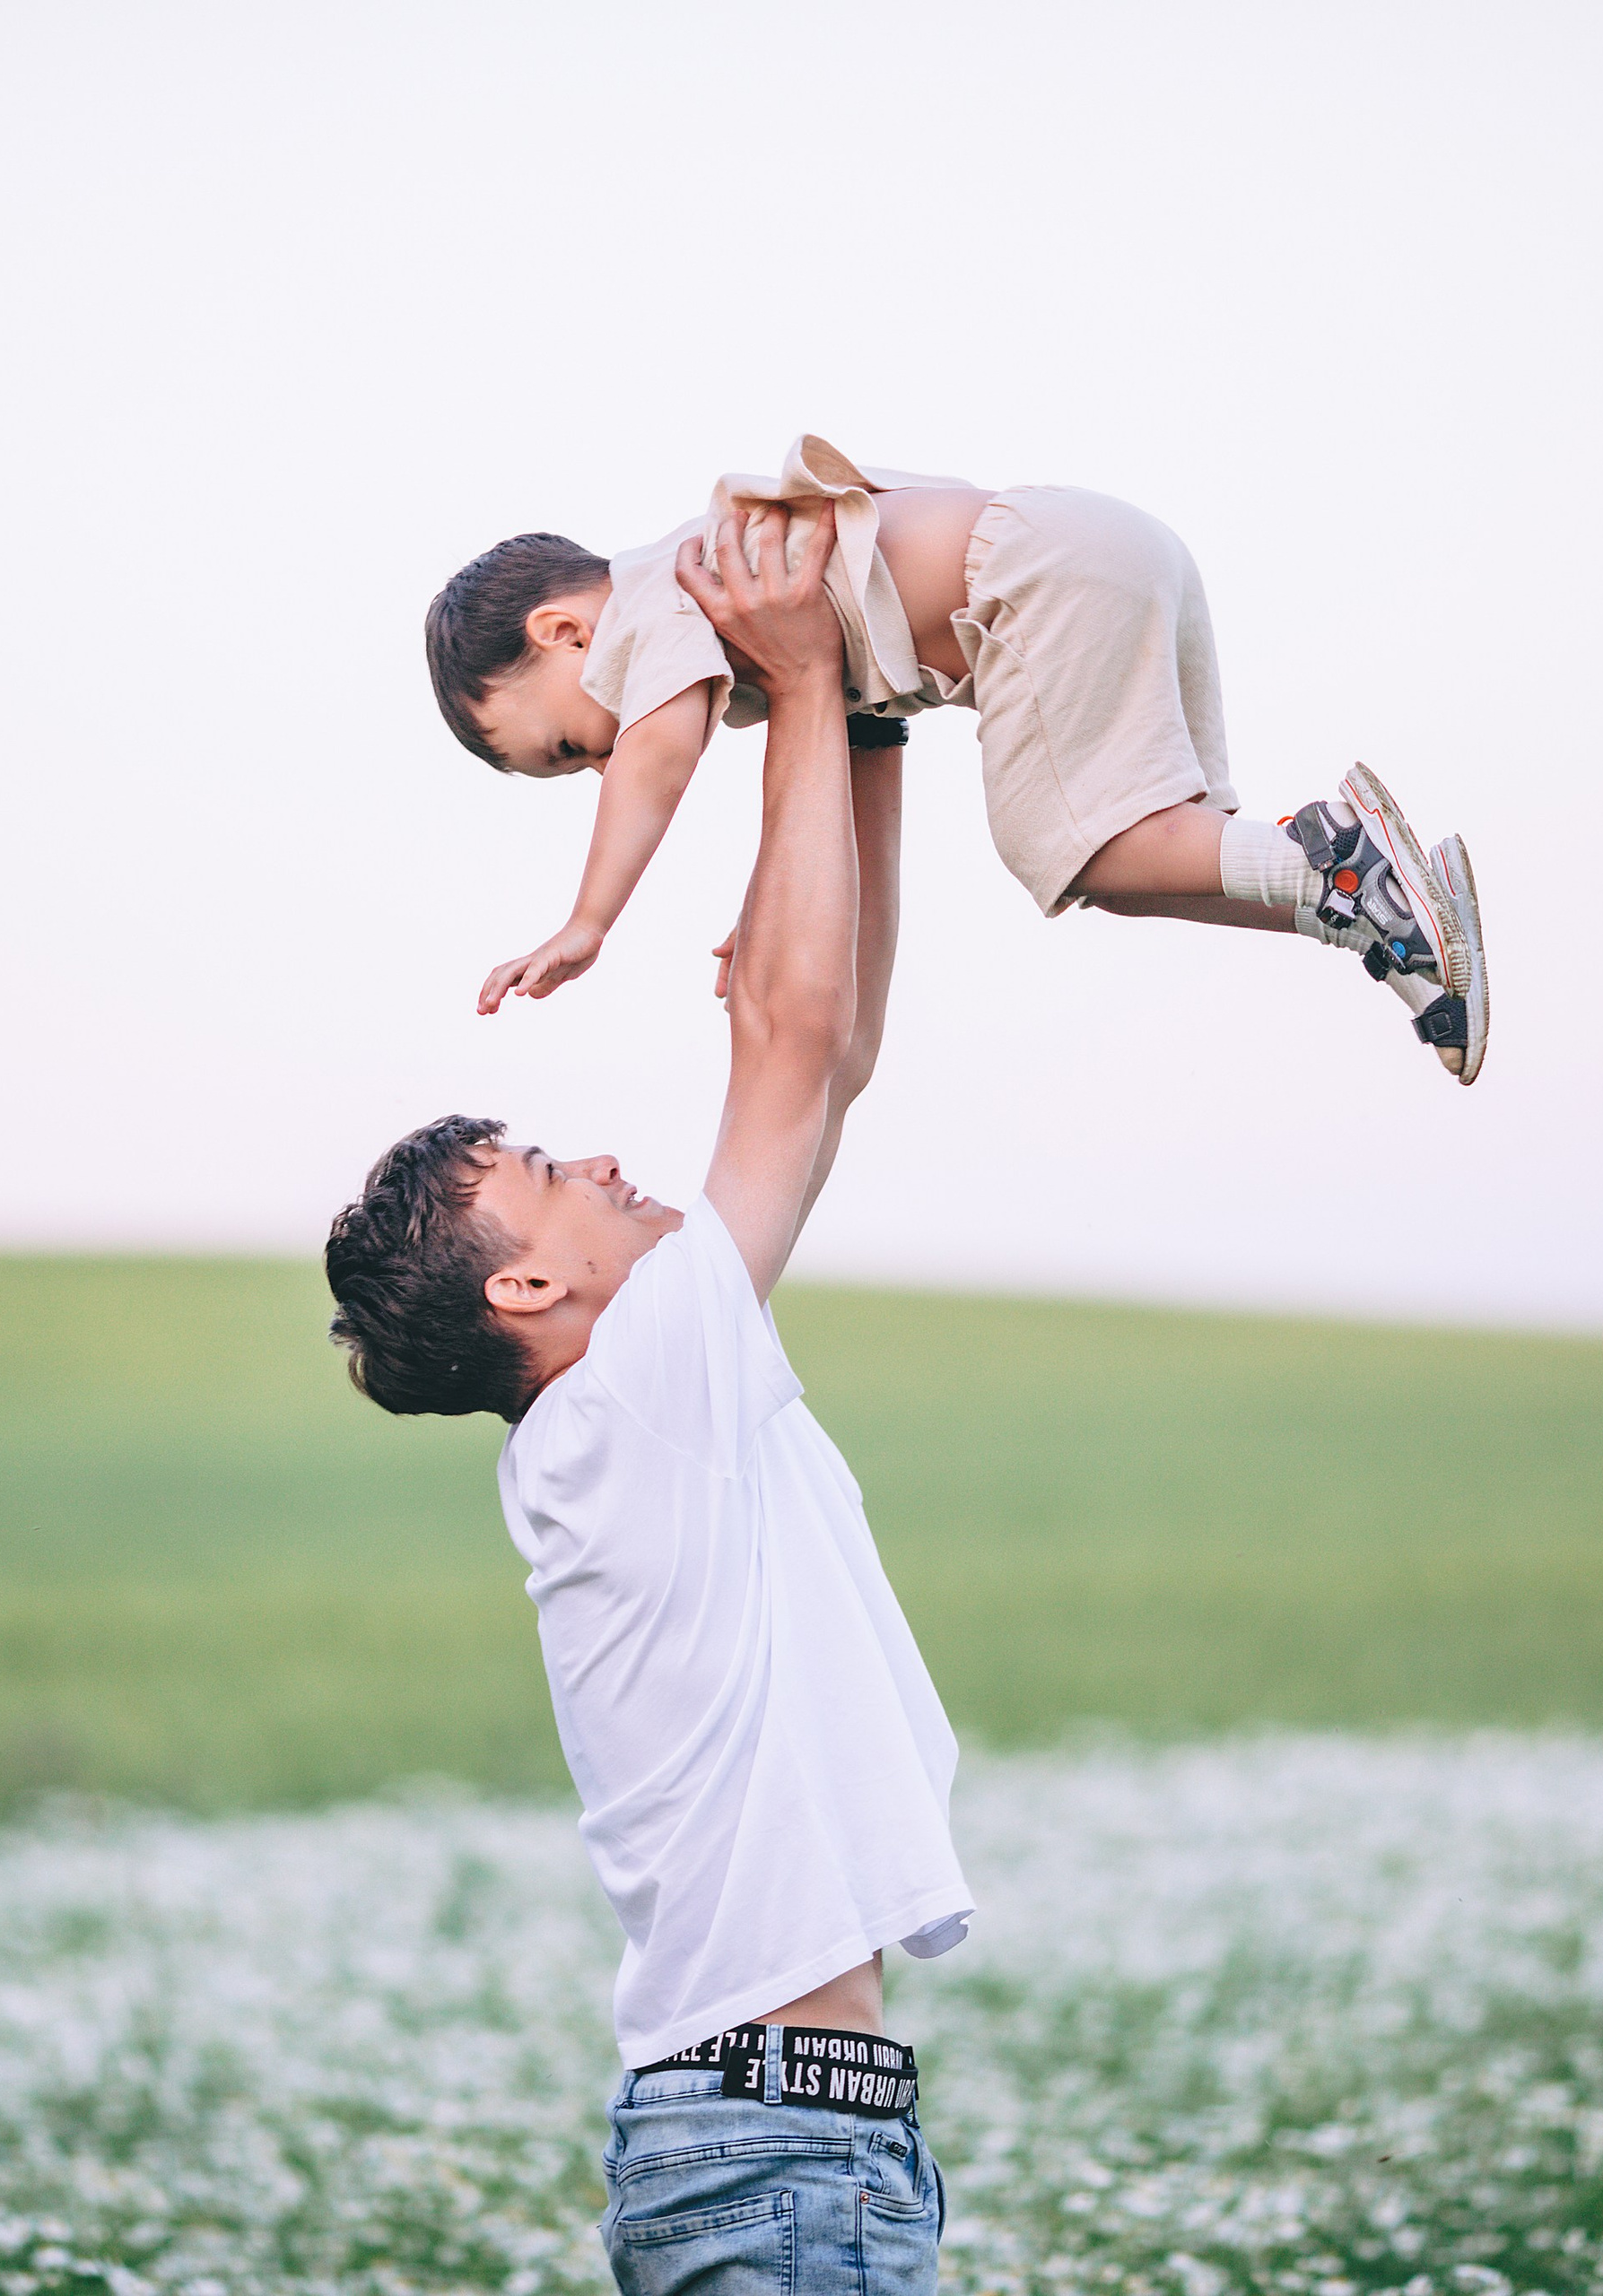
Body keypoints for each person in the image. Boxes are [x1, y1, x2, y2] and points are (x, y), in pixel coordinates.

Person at [328, 504, 962, 2293]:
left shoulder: (626, 1427)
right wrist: (811, 669)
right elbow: (786, 1036)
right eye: (546, 1170)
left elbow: (821, 1054)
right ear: (528, 1289)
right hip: (777, 2155)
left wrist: (868, 721)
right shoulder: (623, 1414)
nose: (599, 1157)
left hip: (782, 2143)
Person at [429, 434, 1489, 1083]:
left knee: (1082, 851)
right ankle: (1381, 912)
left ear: (563, 633)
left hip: (1030, 579)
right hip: (1101, 546)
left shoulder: (658, 595)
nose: (601, 760)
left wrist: (589, 920)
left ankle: (1348, 865)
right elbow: (815, 764)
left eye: (568, 746)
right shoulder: (702, 589)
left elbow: (661, 751)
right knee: (1162, 858)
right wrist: (775, 901)